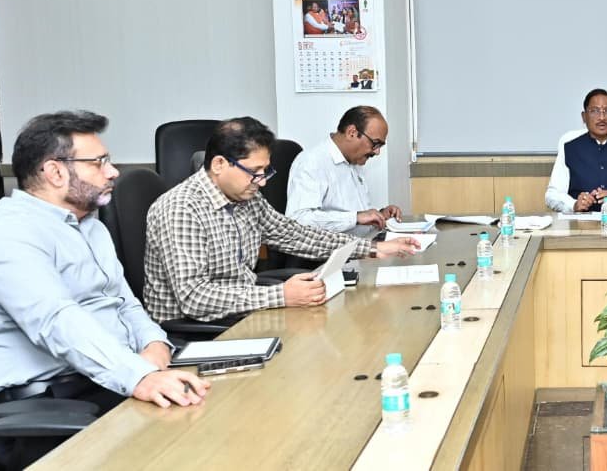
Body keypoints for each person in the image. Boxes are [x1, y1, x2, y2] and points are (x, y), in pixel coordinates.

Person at [0, 111, 210, 468]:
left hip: (103, 378)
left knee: (219, 413)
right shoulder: (4, 233)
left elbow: (124, 303)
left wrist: (154, 344)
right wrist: (140, 376)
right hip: (46, 409)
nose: (112, 171)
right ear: (55, 172)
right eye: (99, 162)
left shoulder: (90, 227)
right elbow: (57, 321)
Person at [144, 117, 419, 323]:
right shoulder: (181, 209)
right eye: (254, 172)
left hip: (242, 309)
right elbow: (194, 298)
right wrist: (281, 295)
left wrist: (373, 248)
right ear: (219, 165)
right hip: (197, 329)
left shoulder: (246, 198)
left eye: (265, 171)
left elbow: (295, 235)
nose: (262, 182)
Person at [287, 106, 403, 236]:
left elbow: (357, 213)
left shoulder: (354, 161)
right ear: (351, 133)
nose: (377, 152)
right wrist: (356, 218)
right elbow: (299, 220)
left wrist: (379, 215)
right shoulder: (312, 162)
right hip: (335, 247)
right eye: (375, 143)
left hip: (363, 240)